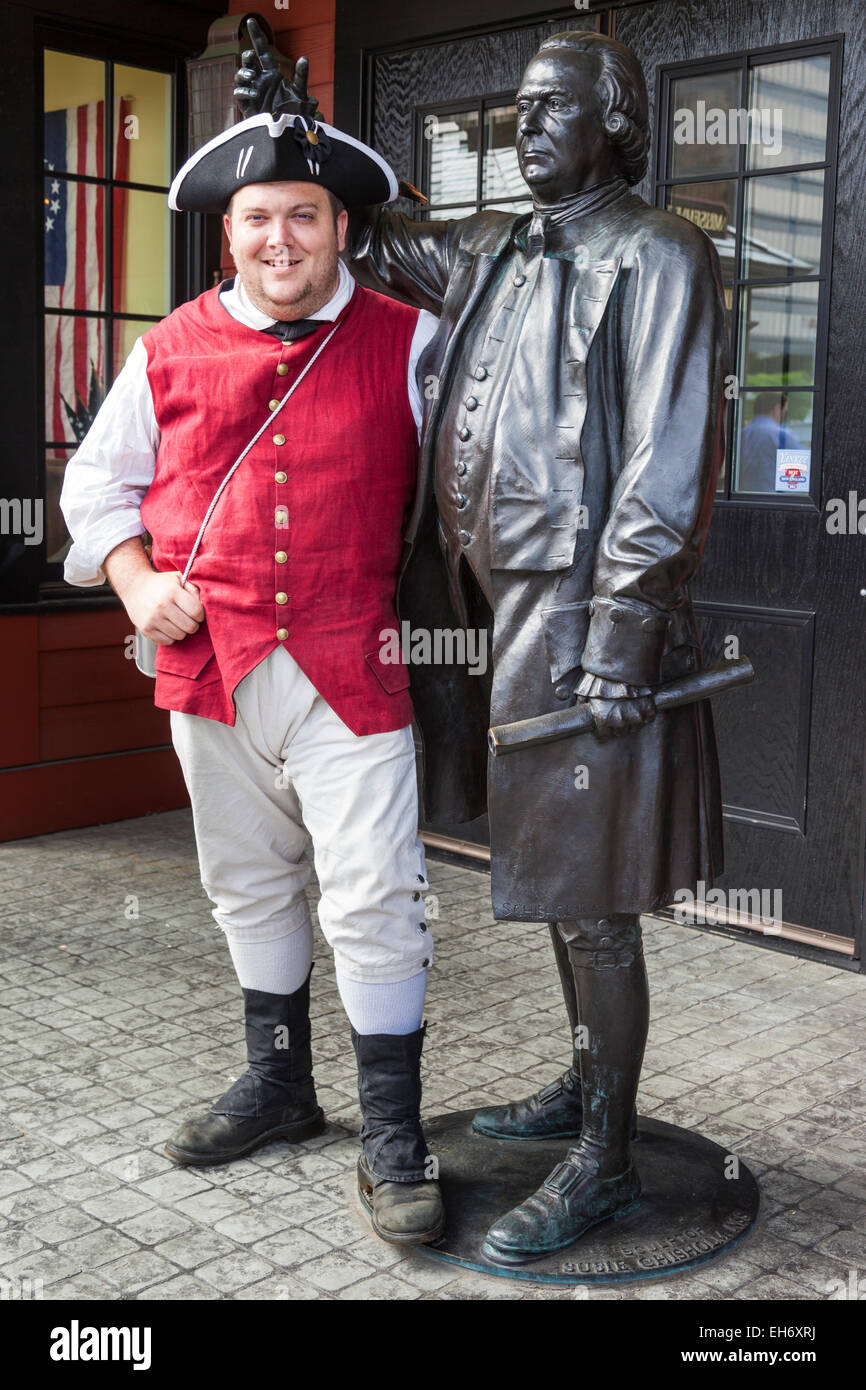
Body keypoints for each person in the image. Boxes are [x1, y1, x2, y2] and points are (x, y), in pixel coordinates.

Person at [239, 28, 729, 1263]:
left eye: (554, 106)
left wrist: (622, 629)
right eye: (519, 106)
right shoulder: (493, 244)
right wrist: (300, 131)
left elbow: (670, 464)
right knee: (560, 894)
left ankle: (605, 1160)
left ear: (614, 120)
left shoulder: (660, 252)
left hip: (585, 632)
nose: (528, 124)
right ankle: (580, 1089)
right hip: (490, 623)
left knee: (598, 911)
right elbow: (380, 221)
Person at [59, 57, 445, 1247]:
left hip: (351, 662)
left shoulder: (414, 341)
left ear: (341, 226)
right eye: (258, 219)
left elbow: (486, 482)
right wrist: (135, 583)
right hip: (211, 665)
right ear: (230, 235)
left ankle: (393, 1134)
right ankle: (280, 1088)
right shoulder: (167, 349)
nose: (281, 239)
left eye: (303, 216)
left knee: (375, 894)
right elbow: (96, 487)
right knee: (246, 884)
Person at [738, 390, 801, 493]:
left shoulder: (741, 434)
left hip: (742, 497)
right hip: (772, 500)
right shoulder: (781, 435)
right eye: (785, 412)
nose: (784, 417)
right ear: (776, 409)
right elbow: (806, 470)